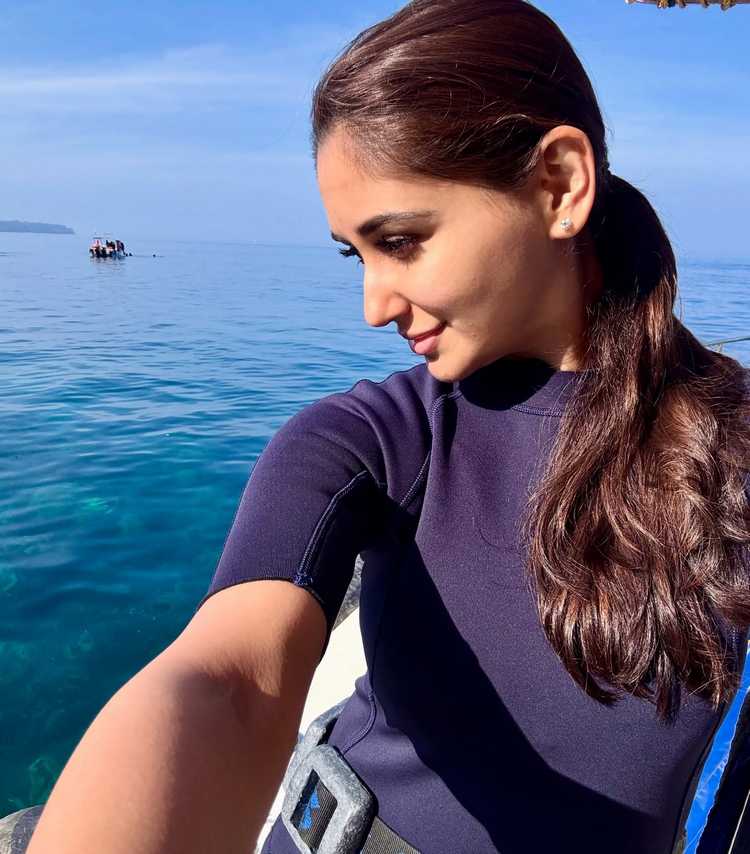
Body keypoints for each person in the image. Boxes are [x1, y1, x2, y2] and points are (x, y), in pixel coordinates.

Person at [26, 2, 750, 853]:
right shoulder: (371, 441)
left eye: (400, 241)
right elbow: (231, 681)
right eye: (354, 254)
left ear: (558, 185)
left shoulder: (729, 439)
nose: (372, 306)